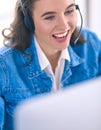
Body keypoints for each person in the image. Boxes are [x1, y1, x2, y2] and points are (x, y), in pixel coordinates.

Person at [0, 0, 101, 129]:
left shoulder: (91, 45)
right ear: (29, 21)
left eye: (69, 11)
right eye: (49, 17)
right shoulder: (4, 67)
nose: (64, 26)